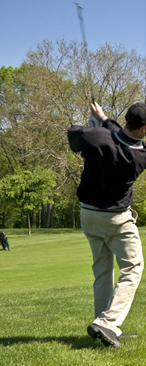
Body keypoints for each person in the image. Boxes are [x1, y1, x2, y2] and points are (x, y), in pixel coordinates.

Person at [68, 101, 146, 347]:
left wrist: (95, 124)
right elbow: (118, 137)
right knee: (133, 267)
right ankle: (107, 323)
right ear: (144, 129)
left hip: (88, 214)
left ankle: (105, 325)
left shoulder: (97, 137)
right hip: (115, 218)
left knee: (102, 269)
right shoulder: (141, 155)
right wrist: (102, 121)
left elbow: (75, 134)